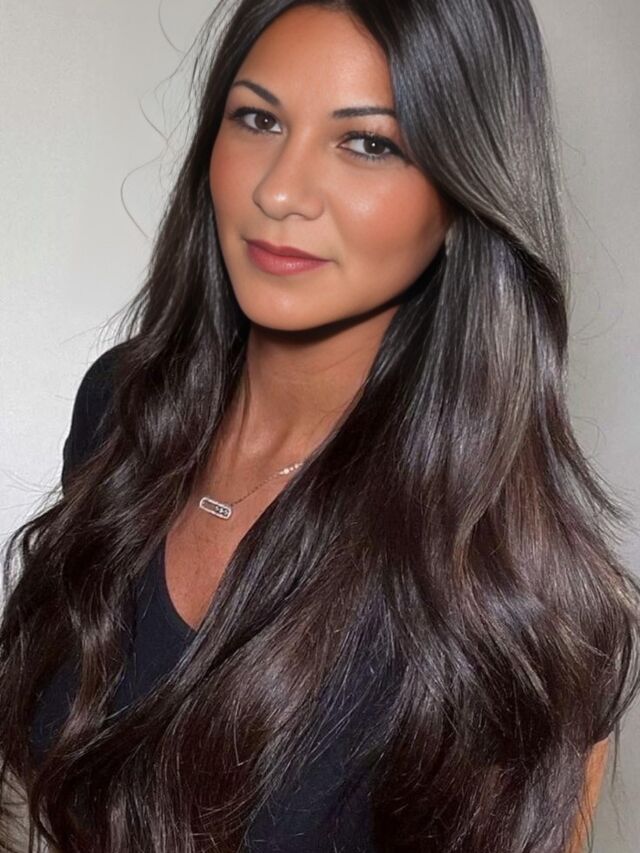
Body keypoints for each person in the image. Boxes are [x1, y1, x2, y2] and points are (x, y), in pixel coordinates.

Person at [1, 0, 638, 850]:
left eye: (368, 143)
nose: (279, 190)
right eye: (258, 119)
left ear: (463, 194)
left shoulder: (518, 587)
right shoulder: (123, 407)